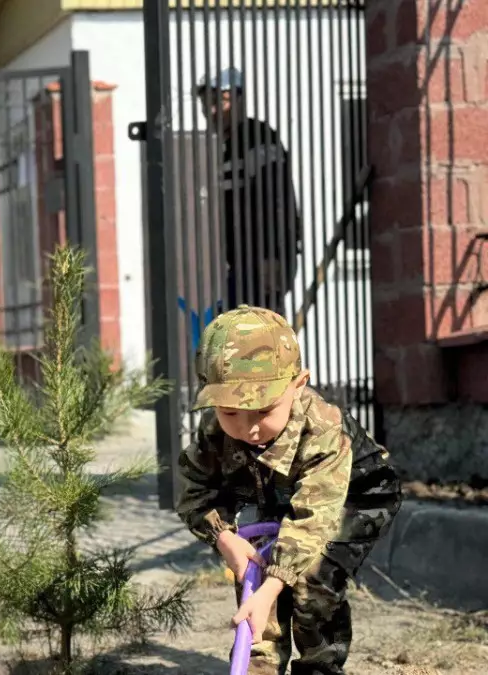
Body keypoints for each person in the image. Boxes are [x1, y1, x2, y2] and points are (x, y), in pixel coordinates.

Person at [176, 305, 401, 675]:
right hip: (282, 493)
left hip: (354, 497)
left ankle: (319, 667)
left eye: (262, 411)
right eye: (230, 411)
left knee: (313, 579)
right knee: (257, 568)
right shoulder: (215, 431)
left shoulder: (323, 429)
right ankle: (258, 664)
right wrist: (223, 538)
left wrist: (274, 586)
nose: (248, 428)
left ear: (298, 385)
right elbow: (193, 489)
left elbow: (314, 520)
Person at [196, 68, 302, 318]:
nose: (210, 111)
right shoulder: (222, 147)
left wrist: (273, 257)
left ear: (239, 99)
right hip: (238, 265)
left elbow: (277, 199)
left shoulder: (258, 139)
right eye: (205, 104)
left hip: (261, 263)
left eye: (218, 102)